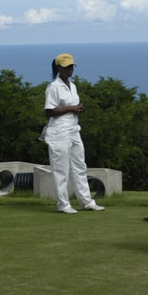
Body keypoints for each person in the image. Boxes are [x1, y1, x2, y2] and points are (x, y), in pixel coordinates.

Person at [43, 53, 105, 214]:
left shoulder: (73, 85)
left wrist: (78, 108)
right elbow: (49, 111)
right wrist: (71, 108)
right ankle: (63, 204)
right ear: (58, 68)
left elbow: (70, 106)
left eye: (71, 66)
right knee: (61, 169)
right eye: (66, 66)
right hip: (59, 132)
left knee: (79, 167)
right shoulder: (53, 87)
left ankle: (86, 201)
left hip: (73, 129)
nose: (70, 69)